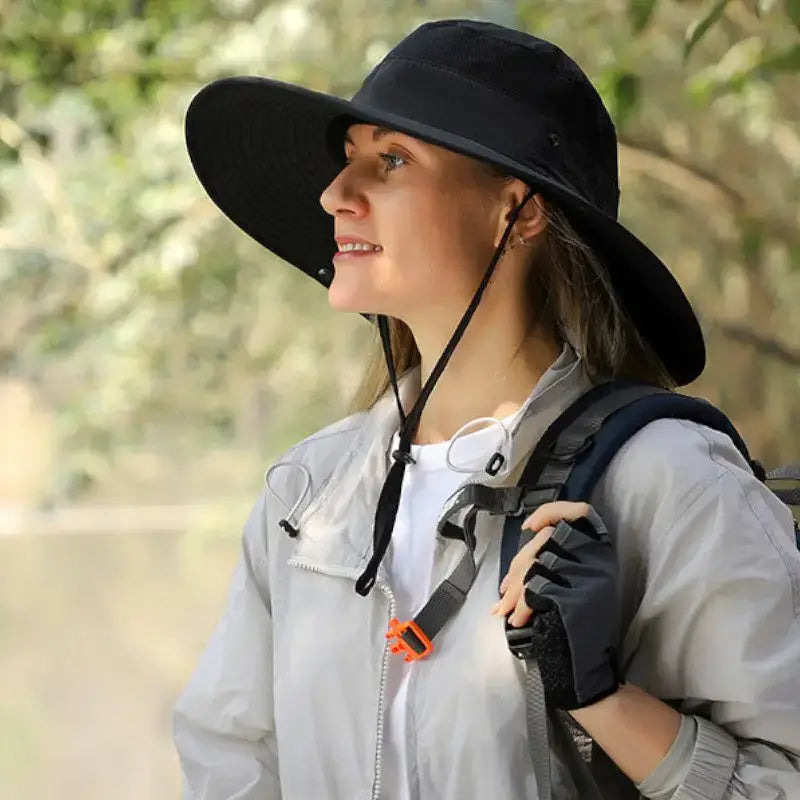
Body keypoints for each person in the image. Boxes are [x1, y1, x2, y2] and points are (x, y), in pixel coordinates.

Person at [172, 18, 800, 800]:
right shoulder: (309, 495)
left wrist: (602, 698)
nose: (335, 194)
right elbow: (230, 763)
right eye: (347, 161)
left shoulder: (671, 483)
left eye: (391, 161)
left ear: (517, 212)